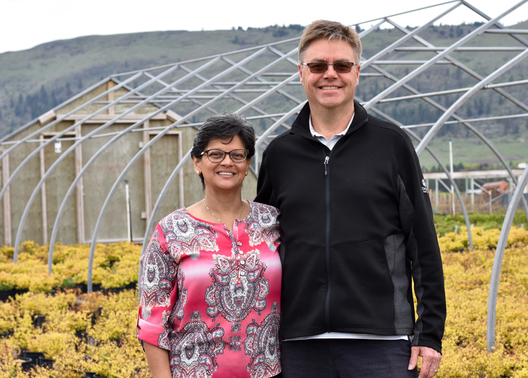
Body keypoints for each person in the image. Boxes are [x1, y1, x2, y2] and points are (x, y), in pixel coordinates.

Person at [255, 20, 446, 378]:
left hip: (382, 344)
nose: (330, 74)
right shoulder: (279, 155)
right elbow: (263, 245)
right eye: (317, 66)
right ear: (301, 73)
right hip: (298, 343)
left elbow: (423, 243)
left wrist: (430, 332)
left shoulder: (392, 145)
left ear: (357, 73)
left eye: (342, 65)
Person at [137, 113, 282, 378]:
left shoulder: (272, 221)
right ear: (197, 162)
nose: (227, 162)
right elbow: (152, 321)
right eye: (215, 154)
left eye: (237, 155)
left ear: (248, 162)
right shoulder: (171, 231)